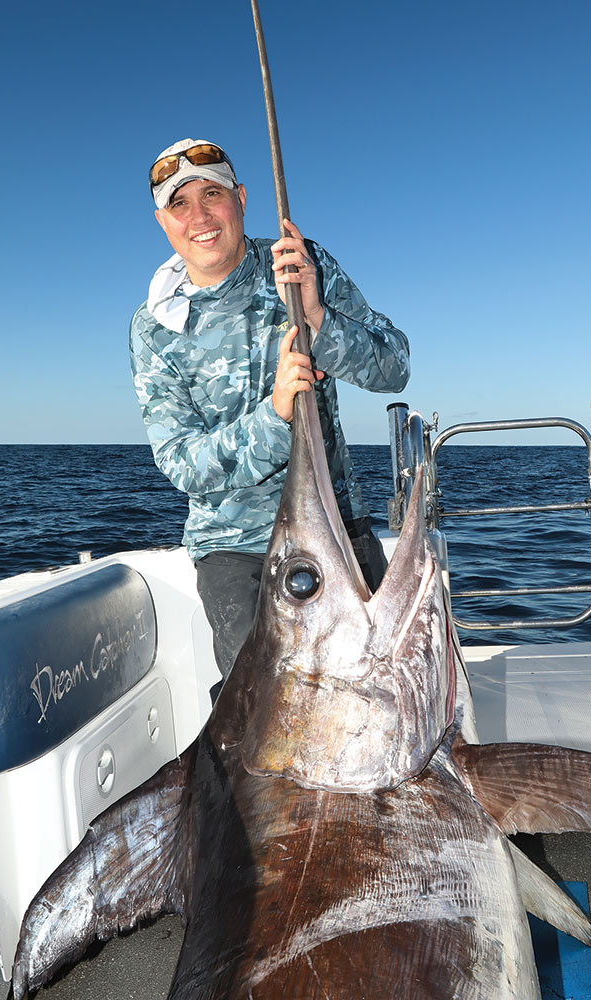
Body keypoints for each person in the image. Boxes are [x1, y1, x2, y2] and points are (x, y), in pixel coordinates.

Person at [129, 138, 410, 683]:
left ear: (241, 198)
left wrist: (319, 317)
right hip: (236, 550)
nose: (200, 217)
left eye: (213, 194)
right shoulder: (153, 328)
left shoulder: (302, 263)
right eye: (179, 204)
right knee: (260, 712)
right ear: (162, 221)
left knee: (381, 688)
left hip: (335, 524)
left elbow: (394, 366)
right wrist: (274, 414)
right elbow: (182, 463)